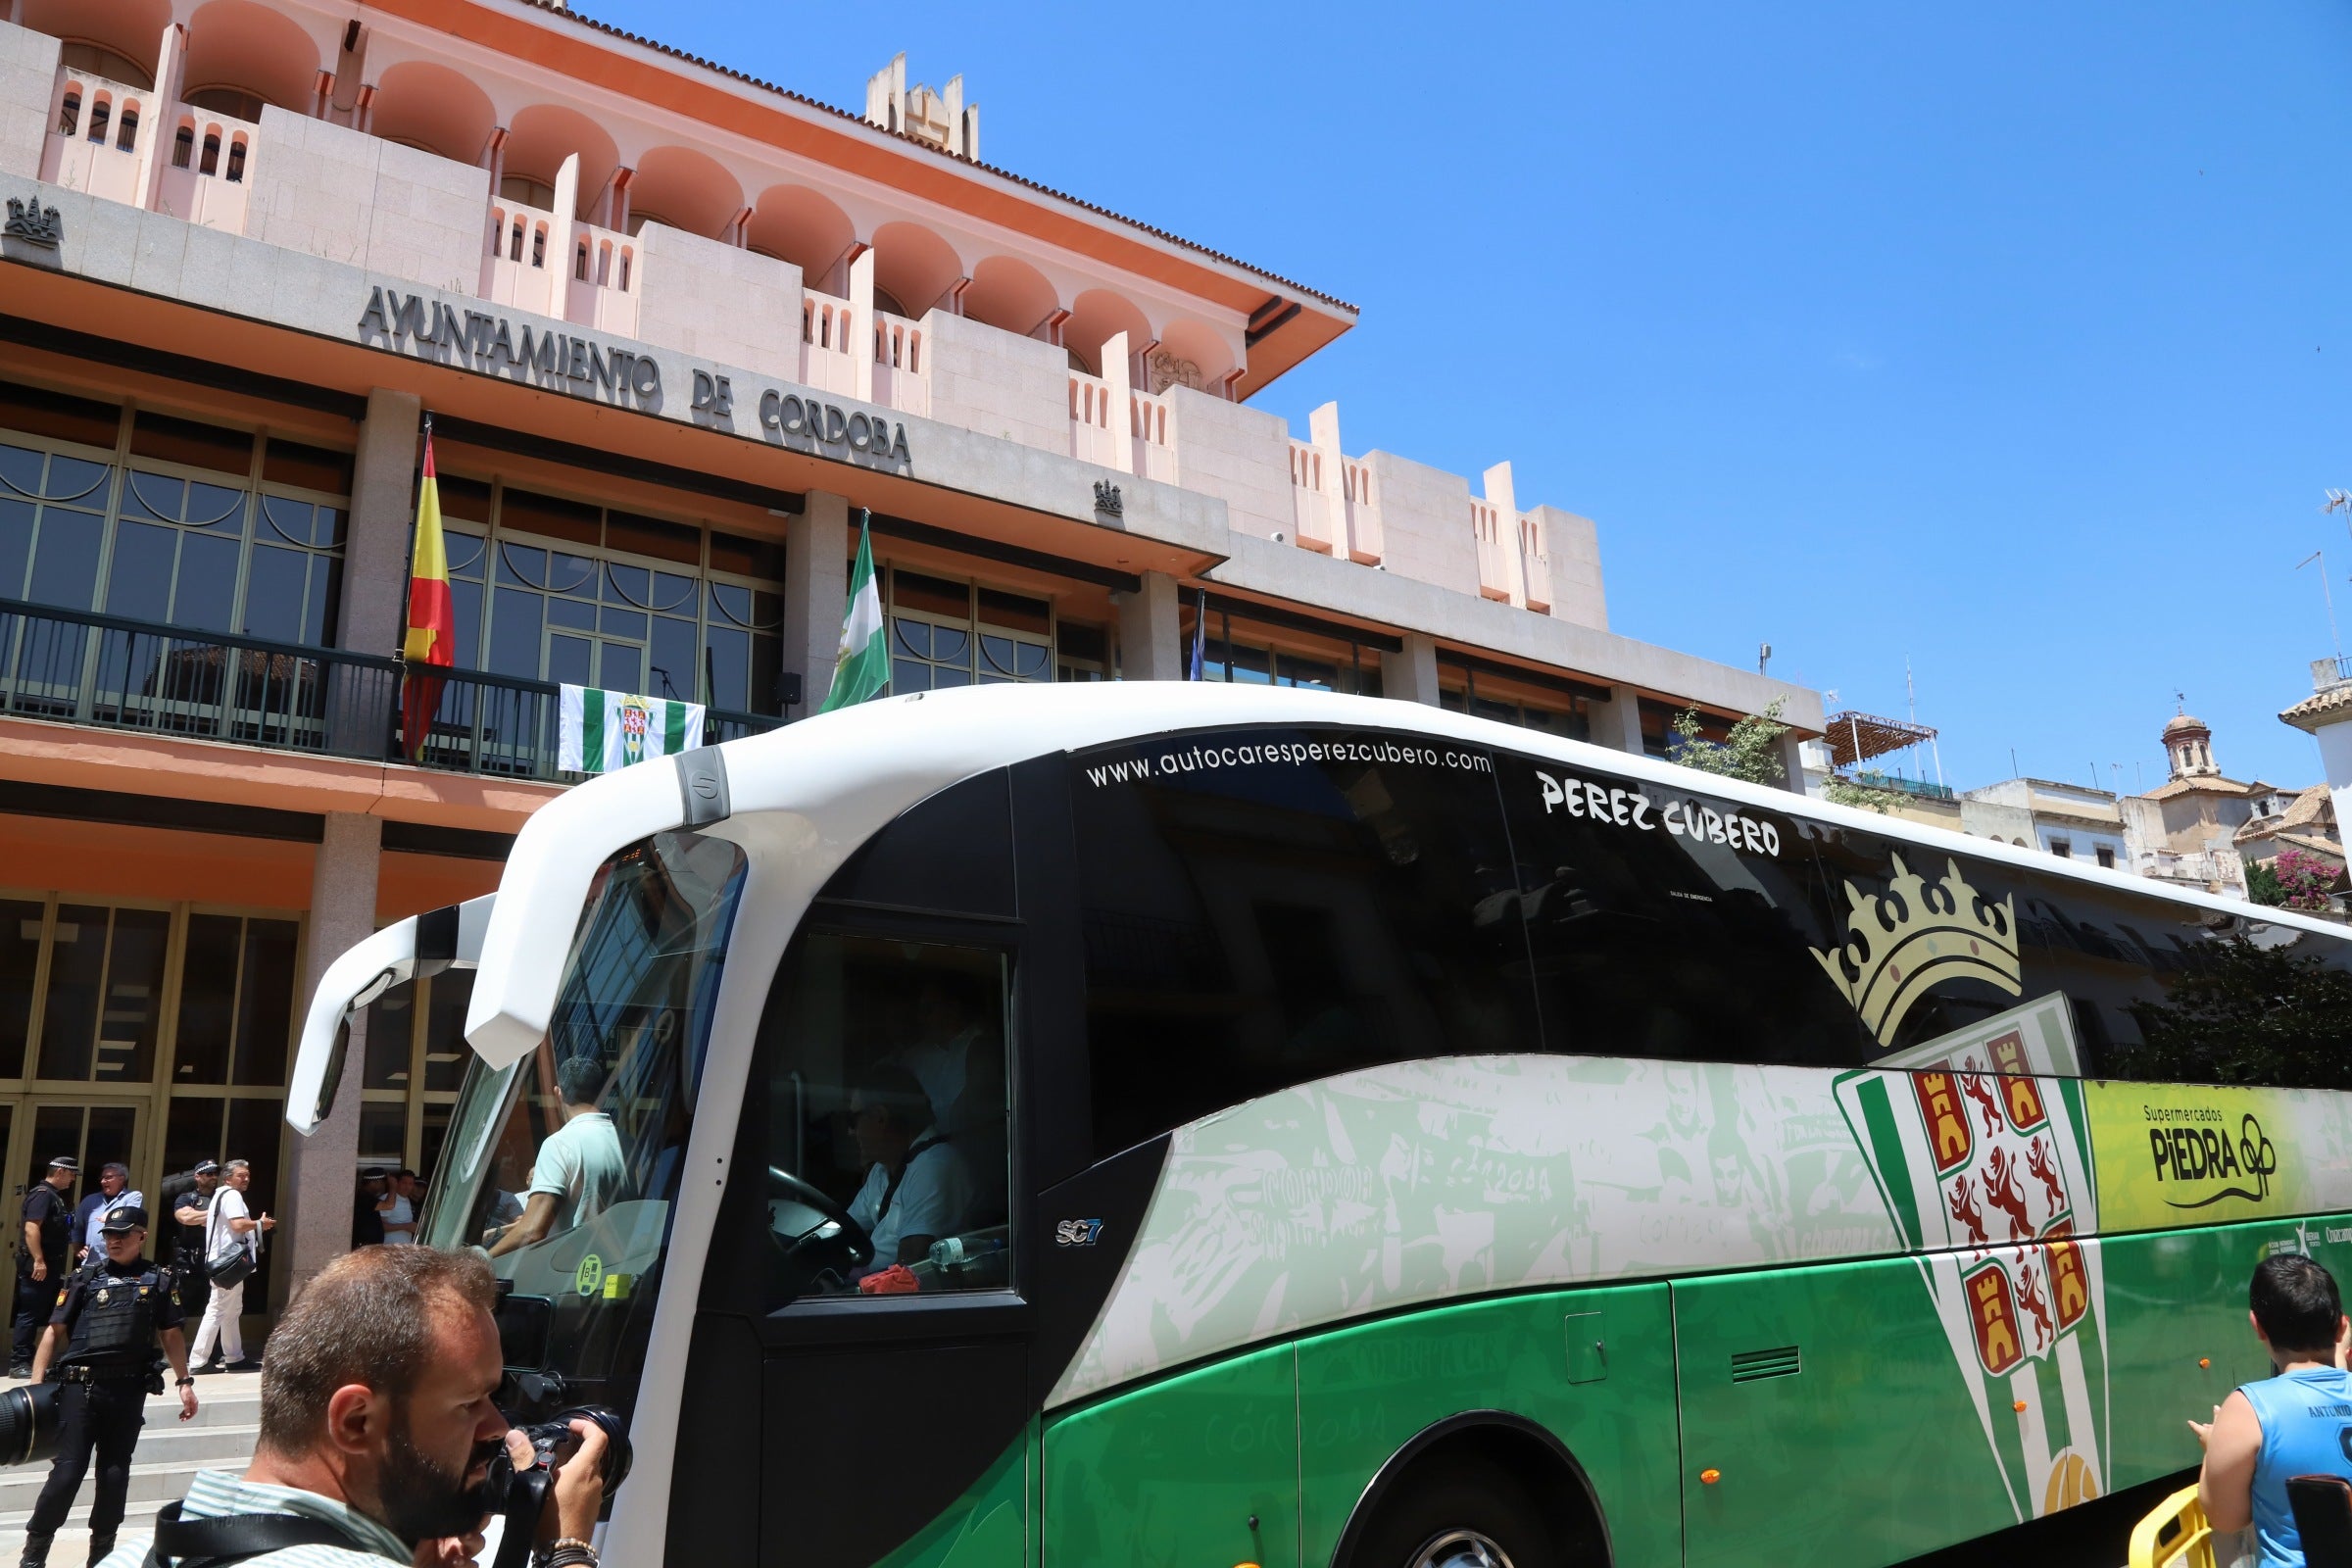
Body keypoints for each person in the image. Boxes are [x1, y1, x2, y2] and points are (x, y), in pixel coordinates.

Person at [94, 1246, 610, 1568]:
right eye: (469, 1403)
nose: (498, 1427)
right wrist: (567, 1551)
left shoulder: (139, 1553)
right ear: (357, 1421)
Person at [20, 1205, 197, 1568]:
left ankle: (101, 1555)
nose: (113, 1241)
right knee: (68, 1471)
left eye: (122, 1234)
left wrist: (184, 1381)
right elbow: (54, 1332)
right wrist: (35, 1390)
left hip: (127, 1390)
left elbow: (171, 1334)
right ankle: (33, 1556)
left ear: (142, 1236)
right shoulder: (85, 1278)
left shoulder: (159, 1279)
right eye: (109, 1235)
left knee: (115, 1474)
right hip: (79, 1388)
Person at [2190, 1252, 2352, 1566]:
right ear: (2340, 1327)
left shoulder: (2247, 1410)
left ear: (2258, 1326)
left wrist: (2213, 1451)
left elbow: (2225, 1518)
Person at [844, 1064, 971, 1284]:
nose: (850, 1131)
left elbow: (909, 1267)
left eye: (853, 1120)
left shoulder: (933, 1165)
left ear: (880, 1118)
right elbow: (844, 1229)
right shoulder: (882, 1169)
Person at [488, 1056, 625, 1259]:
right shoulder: (628, 1143)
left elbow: (532, 1230)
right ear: (601, 1094)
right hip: (627, 1269)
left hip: (578, 1275)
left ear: (557, 1093)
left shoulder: (560, 1144)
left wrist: (483, 1258)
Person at [188, 1159, 273, 1375]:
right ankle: (199, 1360)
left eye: (247, 1175)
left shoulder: (220, 1195)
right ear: (228, 1178)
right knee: (217, 1309)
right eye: (240, 1175)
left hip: (226, 1262)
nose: (245, 1179)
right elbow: (237, 1224)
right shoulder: (232, 1195)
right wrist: (259, 1224)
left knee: (231, 1310)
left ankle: (234, 1357)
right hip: (229, 1263)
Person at [13, 1156, 76, 1378]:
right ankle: (20, 1362)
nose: (72, 1179)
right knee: (30, 1312)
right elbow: (31, 1229)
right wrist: (38, 1260)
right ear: (59, 1172)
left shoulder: (54, 1197)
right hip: (39, 1265)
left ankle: (40, 1359)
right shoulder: (42, 1195)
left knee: (52, 1311)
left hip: (50, 1264)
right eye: (70, 1174)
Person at [168, 1161, 220, 1318]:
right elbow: (185, 1217)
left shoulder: (222, 1197)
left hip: (215, 1259)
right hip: (188, 1260)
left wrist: (200, 1216)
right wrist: (216, 1214)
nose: (214, 1177)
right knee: (181, 1305)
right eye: (209, 1174)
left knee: (213, 1306)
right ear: (197, 1176)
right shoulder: (186, 1198)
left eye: (216, 1174)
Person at [72, 1164, 138, 1268]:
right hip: (92, 1263)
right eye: (102, 1178)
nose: (103, 1181)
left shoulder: (133, 1196)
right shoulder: (89, 1201)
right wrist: (77, 1248)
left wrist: (110, 1216)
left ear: (121, 1178)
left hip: (121, 1263)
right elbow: (76, 1227)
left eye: (108, 1177)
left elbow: (130, 1215)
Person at [379, 1169, 418, 1247]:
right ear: (397, 1183)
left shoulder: (407, 1200)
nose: (407, 1187)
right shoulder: (386, 1199)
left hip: (404, 1250)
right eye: (404, 1183)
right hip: (389, 1249)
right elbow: (379, 1226)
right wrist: (406, 1226)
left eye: (410, 1184)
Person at [351, 1168, 387, 1250]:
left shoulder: (368, 1196)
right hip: (363, 1246)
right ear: (373, 1183)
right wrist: (393, 1186)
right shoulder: (363, 1197)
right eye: (382, 1182)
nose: (383, 1186)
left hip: (369, 1247)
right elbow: (388, 1205)